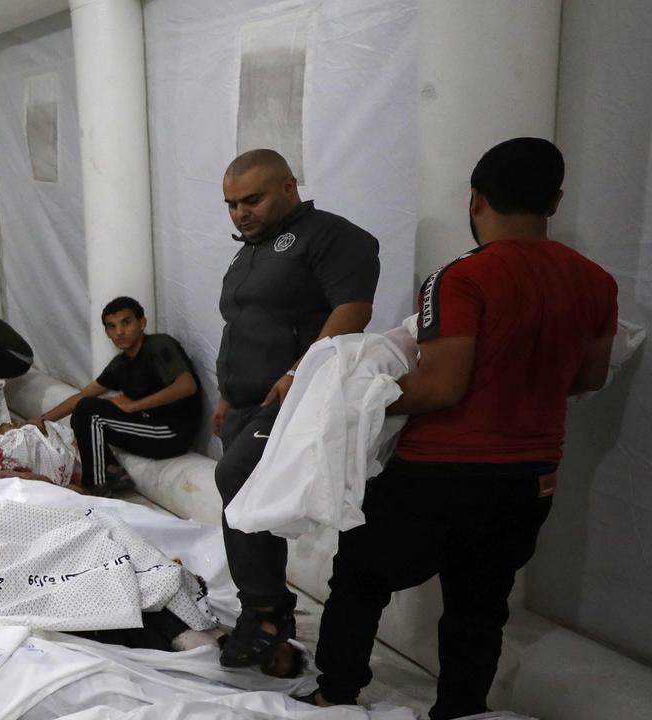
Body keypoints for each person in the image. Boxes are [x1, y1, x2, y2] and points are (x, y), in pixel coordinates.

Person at [302, 138, 617, 719]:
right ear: (556, 200)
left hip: (442, 473)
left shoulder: (460, 278)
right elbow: (588, 378)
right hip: (531, 478)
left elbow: (441, 387)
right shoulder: (596, 282)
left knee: (360, 575)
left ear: (475, 200)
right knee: (480, 604)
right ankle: (460, 709)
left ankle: (334, 694)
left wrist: (356, 397)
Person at [213, 149, 380, 667]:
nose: (241, 212)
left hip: (294, 396)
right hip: (246, 401)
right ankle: (273, 632)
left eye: (252, 199)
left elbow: (354, 308)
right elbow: (244, 324)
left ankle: (264, 610)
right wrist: (226, 393)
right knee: (246, 499)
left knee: (236, 477)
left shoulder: (330, 235)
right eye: (231, 204)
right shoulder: (250, 251)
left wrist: (296, 372)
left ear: (289, 186)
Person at [30, 296, 201, 496]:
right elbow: (83, 396)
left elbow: (187, 386)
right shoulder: (121, 364)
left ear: (142, 323)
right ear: (107, 332)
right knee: (84, 408)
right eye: (112, 327)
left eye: (126, 323)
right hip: (147, 426)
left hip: (171, 433)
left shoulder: (158, 345)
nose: (119, 332)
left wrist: (134, 406)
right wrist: (42, 420)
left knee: (90, 412)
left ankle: (96, 485)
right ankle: (113, 471)